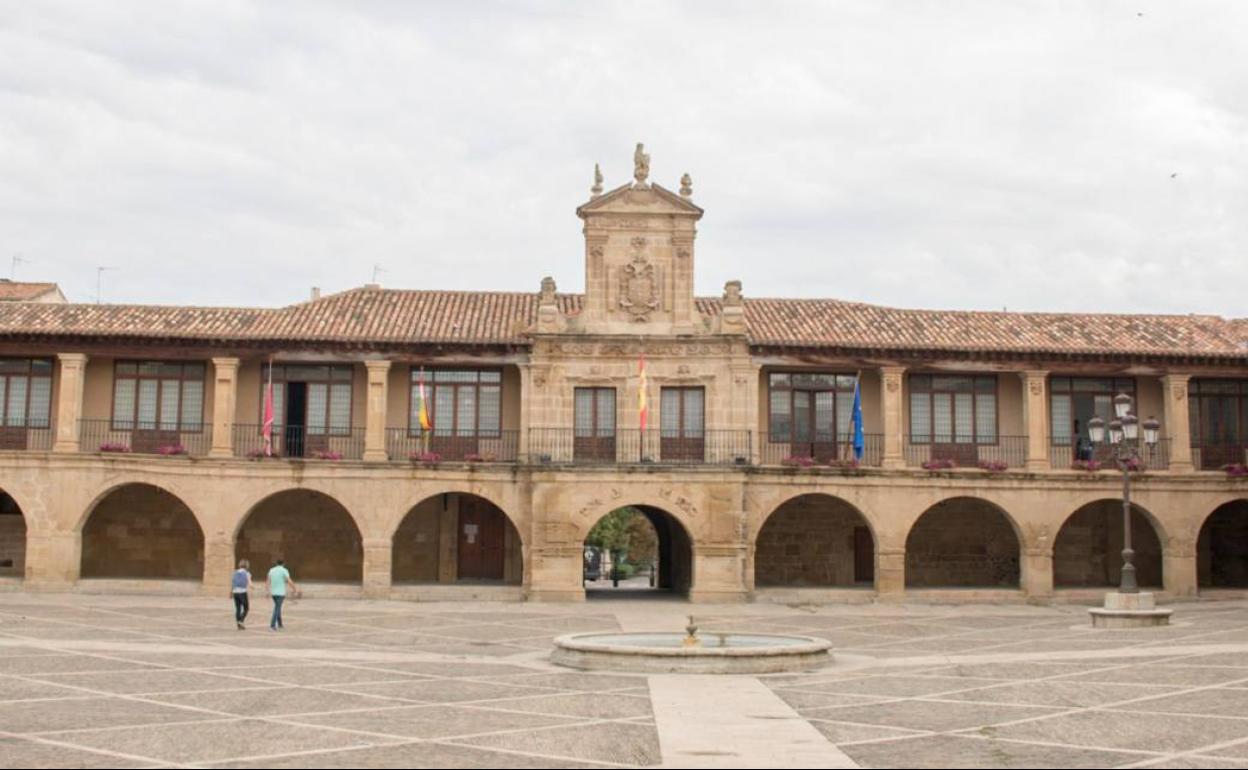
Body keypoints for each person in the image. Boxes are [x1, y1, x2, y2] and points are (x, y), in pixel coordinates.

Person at [266, 559, 296, 631]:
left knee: (277, 607)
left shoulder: (271, 570)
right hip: (280, 593)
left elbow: (268, 581)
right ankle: (272, 625)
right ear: (283, 564)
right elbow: (289, 580)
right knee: (277, 608)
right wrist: (294, 588)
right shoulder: (284, 570)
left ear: (276, 563)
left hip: (273, 593)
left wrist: (267, 591)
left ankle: (280, 624)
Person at [231, 559, 251, 630]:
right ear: (247, 566)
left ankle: (238, 624)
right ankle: (241, 621)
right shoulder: (247, 573)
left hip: (235, 592)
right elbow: (249, 583)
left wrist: (231, 592)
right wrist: (252, 587)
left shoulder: (235, 572)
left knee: (238, 608)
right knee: (246, 608)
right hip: (242, 592)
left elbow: (232, 582)